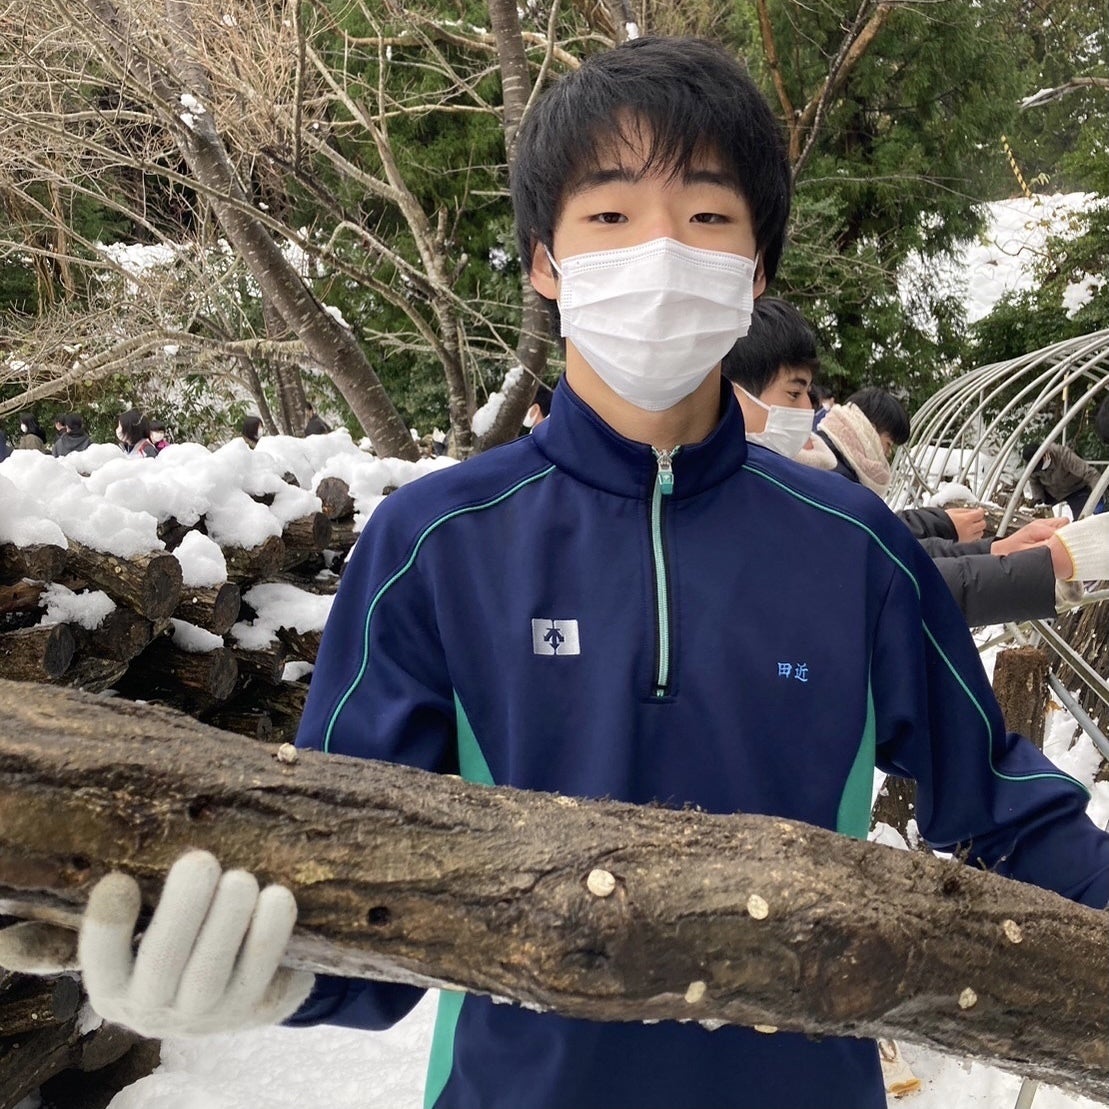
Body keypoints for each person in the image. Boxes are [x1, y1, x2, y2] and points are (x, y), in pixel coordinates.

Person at [10, 36, 1109, 1109]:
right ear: (545, 259)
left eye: (706, 216)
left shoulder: (851, 544)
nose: (660, 250)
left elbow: (1003, 807)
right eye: (612, 215)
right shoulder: (434, 544)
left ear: (755, 266)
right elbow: (346, 867)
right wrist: (246, 973)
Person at [1021, 440, 1104, 518]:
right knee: (1036, 517)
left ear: (1045, 454)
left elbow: (1089, 473)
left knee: (1082, 519)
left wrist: (1099, 493)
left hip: (1075, 489)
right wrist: (1038, 499)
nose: (1040, 469)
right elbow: (1034, 482)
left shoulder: (1062, 455)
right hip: (1051, 492)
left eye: (1040, 465)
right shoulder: (1030, 467)